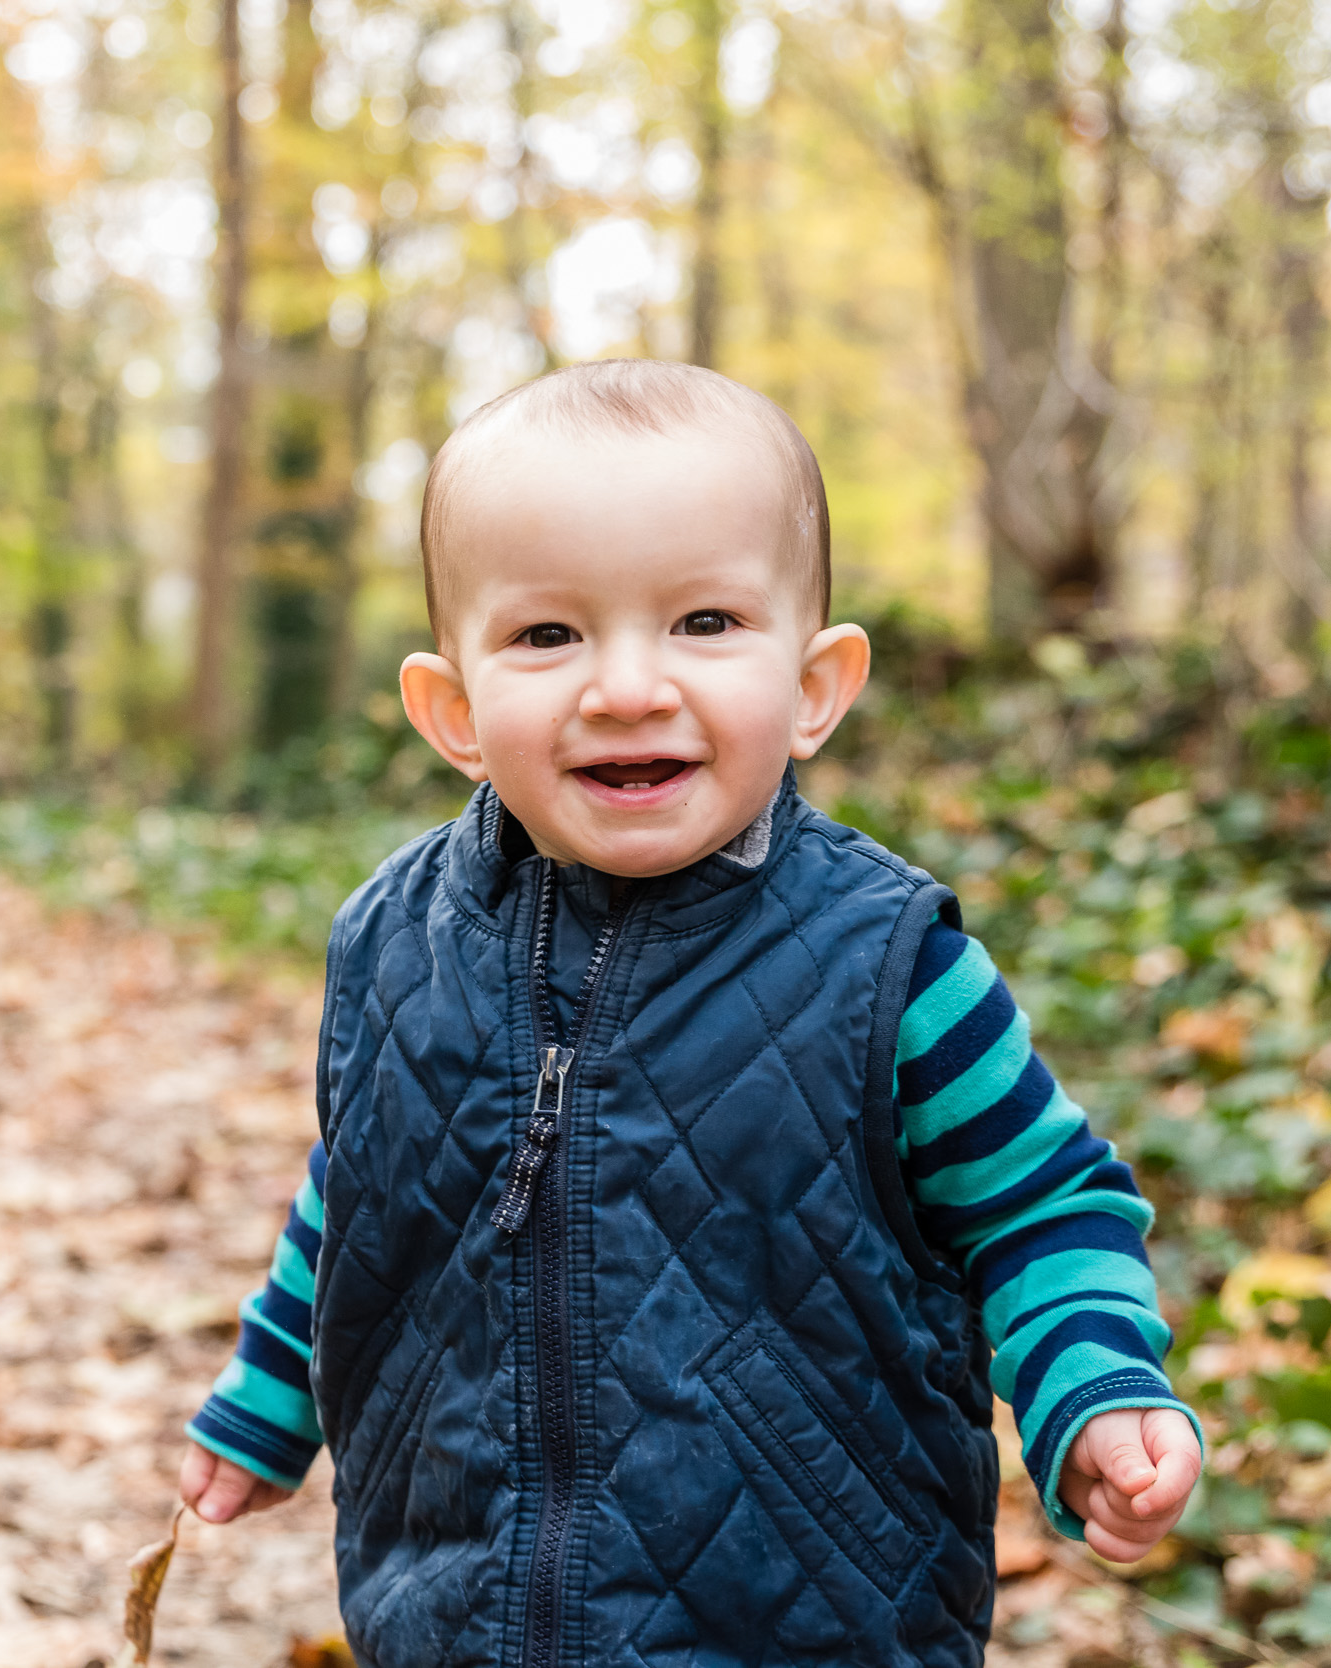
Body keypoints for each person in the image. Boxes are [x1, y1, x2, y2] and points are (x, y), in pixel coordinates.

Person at [174, 360, 1203, 1667]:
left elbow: (1043, 1208)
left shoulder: (887, 966)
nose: (626, 686)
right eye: (548, 636)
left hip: (810, 1618)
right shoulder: (392, 938)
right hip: (452, 1604)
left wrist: (1093, 1390)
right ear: (454, 713)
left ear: (817, 684)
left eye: (704, 623)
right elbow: (361, 1193)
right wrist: (269, 1404)